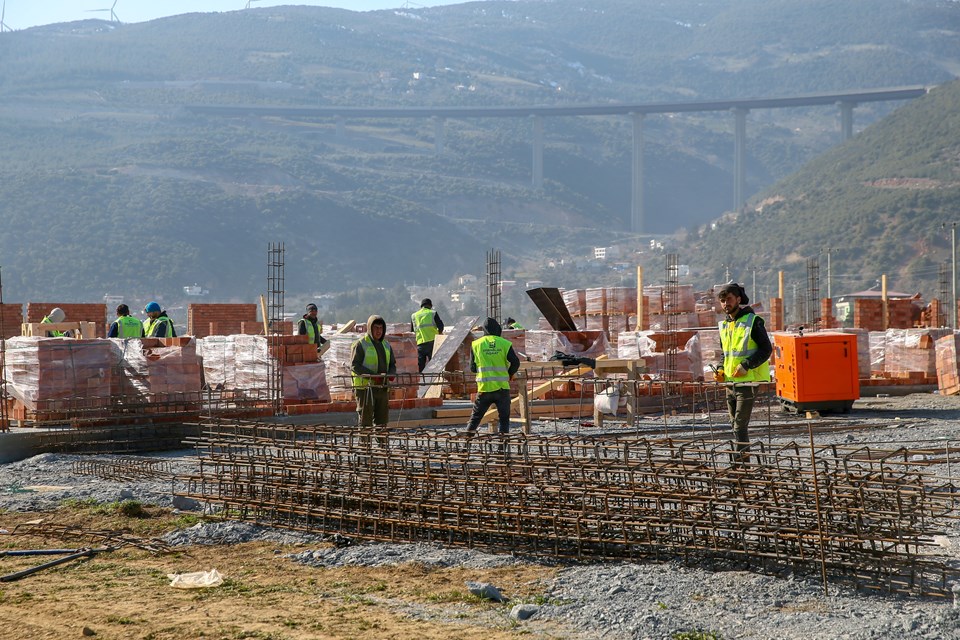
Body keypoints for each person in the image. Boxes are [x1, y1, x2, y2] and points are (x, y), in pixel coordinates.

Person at [714, 282, 772, 465]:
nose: (725, 304)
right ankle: (742, 459)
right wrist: (720, 369)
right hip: (730, 382)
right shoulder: (725, 325)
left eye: (729, 299)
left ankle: (741, 463)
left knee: (739, 424)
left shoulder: (752, 322)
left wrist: (747, 365)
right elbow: (726, 353)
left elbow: (766, 349)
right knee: (734, 424)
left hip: (747, 382)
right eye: (722, 301)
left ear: (738, 299)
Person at [465, 317, 521, 435]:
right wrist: (510, 373)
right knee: (504, 420)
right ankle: (502, 449)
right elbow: (515, 362)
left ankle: (466, 446)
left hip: (484, 389)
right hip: (502, 389)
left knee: (475, 418)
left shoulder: (476, 344)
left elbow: (472, 368)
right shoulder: (505, 344)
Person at [351, 314, 397, 430]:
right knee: (366, 421)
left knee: (382, 421)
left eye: (381, 328)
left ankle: (382, 446)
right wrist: (372, 376)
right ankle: (365, 447)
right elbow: (355, 366)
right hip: (365, 389)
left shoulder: (386, 345)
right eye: (376, 328)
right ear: (370, 328)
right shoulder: (361, 344)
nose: (379, 331)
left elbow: (392, 364)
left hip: (382, 387)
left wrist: (391, 374)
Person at [411, 298, 444, 372]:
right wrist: (439, 333)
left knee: (421, 366)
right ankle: (433, 381)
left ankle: (423, 382)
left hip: (420, 344)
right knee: (433, 366)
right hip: (432, 343)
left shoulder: (414, 315)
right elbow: (441, 326)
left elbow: (413, 330)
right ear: (430, 306)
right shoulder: (433, 313)